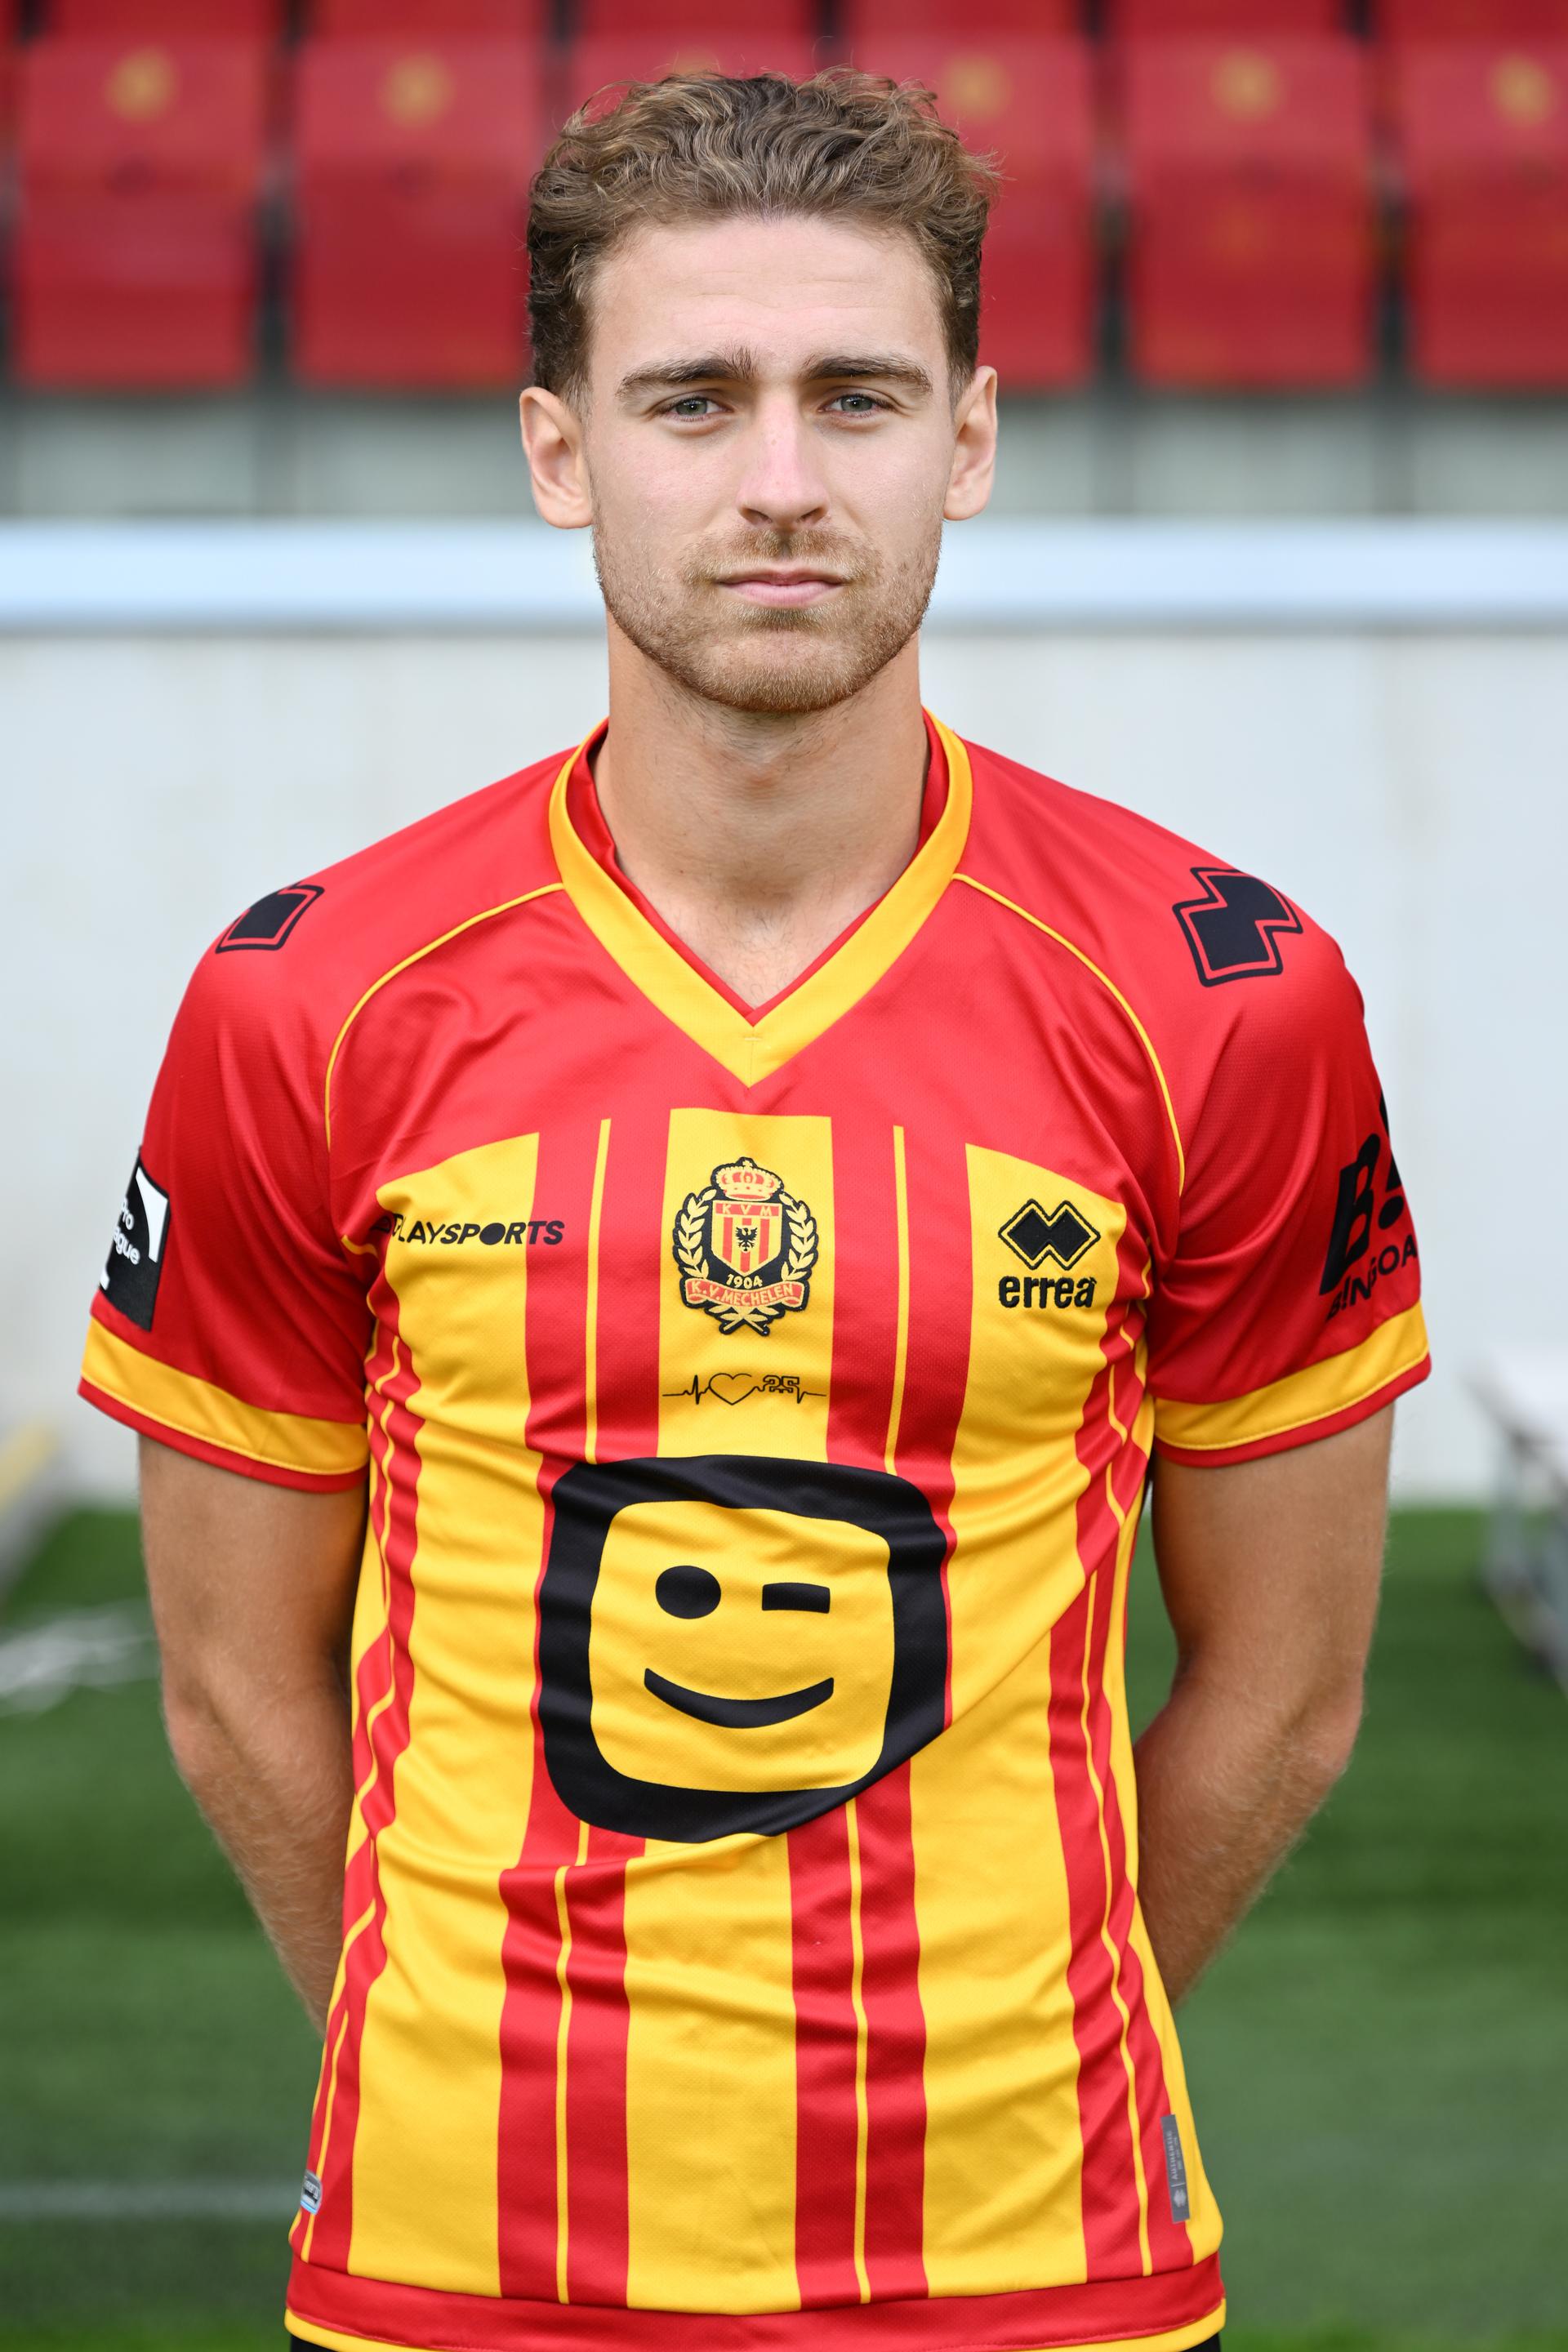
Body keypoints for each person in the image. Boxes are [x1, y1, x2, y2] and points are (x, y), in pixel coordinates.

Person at [79, 70, 1428, 2352]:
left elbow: (1287, 1691)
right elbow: (229, 1683)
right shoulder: (307, 999)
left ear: (969, 443)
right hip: (454, 2266)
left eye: (859, 397)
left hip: (1037, 2268)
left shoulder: (1233, 997)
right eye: (693, 400)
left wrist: (1023, 2031)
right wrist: (429, 2055)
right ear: (557, 451)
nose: (783, 480)